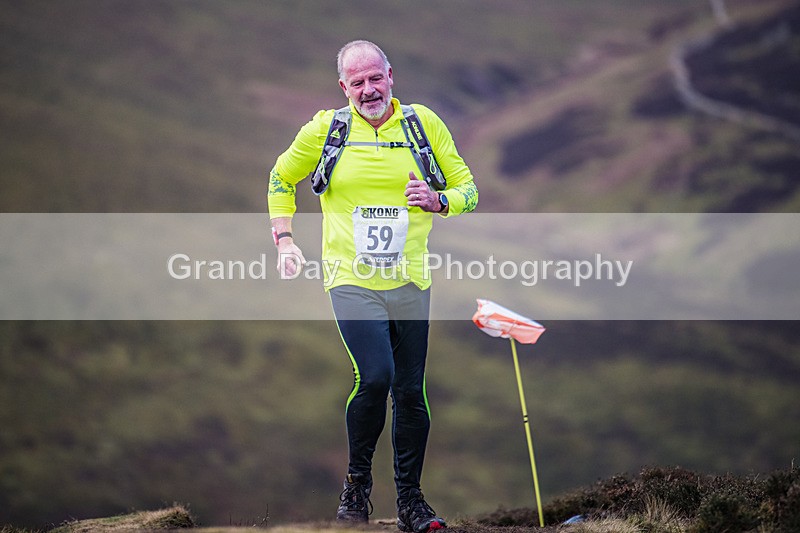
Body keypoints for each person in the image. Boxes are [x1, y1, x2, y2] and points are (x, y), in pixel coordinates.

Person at [267, 39, 478, 533]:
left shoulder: (423, 126)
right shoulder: (327, 130)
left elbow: (468, 188)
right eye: (356, 83)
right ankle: (356, 484)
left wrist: (439, 199)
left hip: (410, 279)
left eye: (374, 78)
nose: (368, 90)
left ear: (391, 76)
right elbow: (281, 177)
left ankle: (411, 502)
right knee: (376, 376)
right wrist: (284, 240)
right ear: (344, 87)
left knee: (410, 392)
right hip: (350, 278)